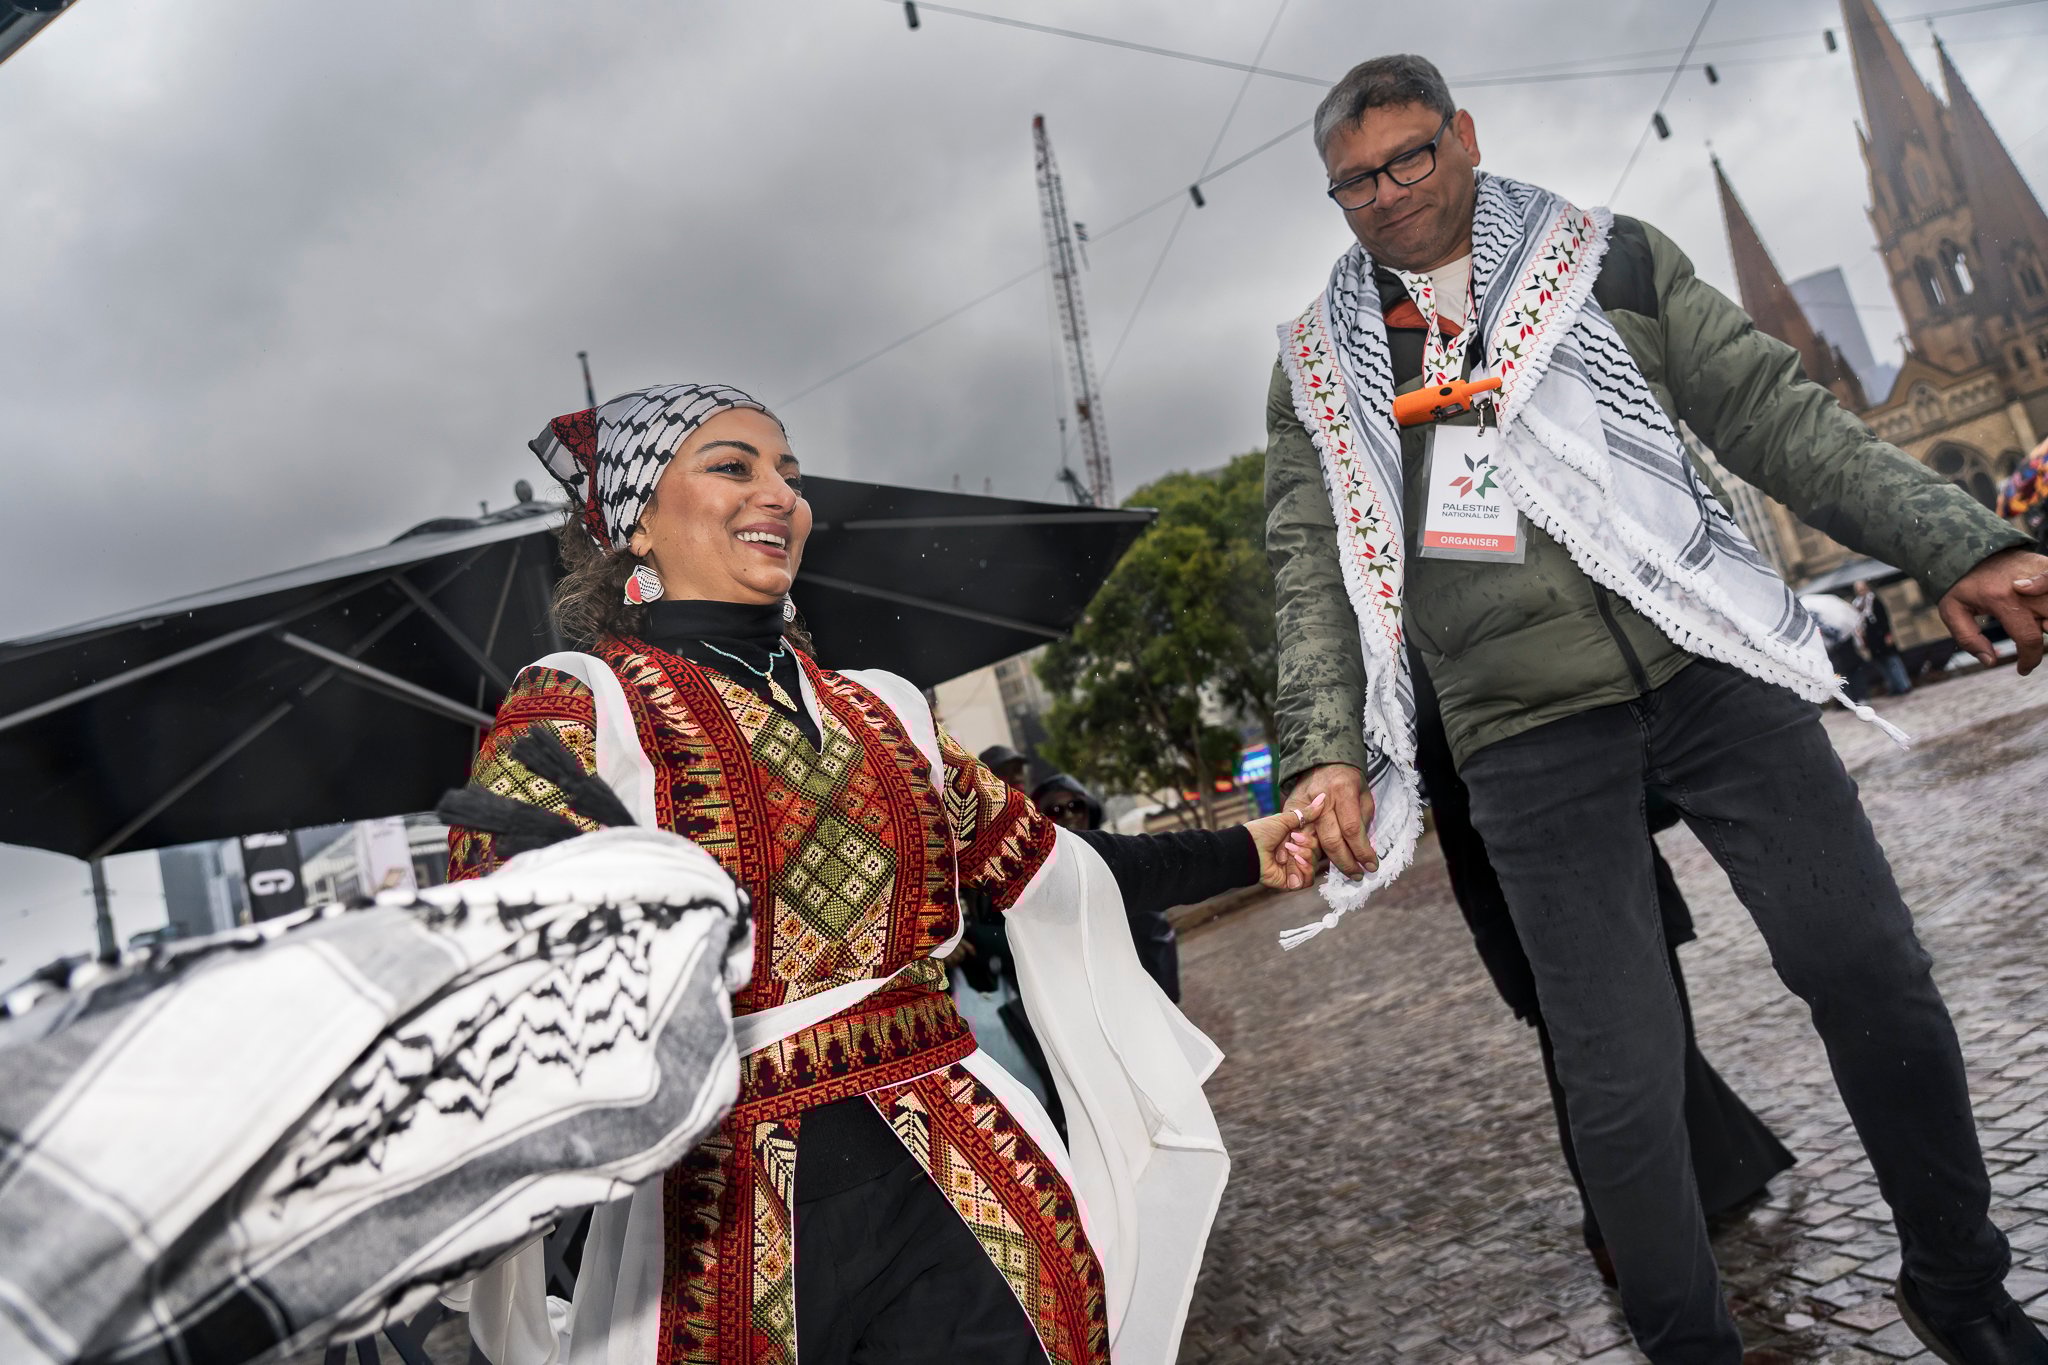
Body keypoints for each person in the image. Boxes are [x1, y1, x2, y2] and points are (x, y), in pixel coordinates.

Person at [1264, 55, 2048, 1365]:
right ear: (1333, 195)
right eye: (1356, 181)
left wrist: (1953, 540)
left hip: (1707, 655)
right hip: (1522, 734)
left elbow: (1774, 414)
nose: (1389, 194)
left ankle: (1961, 1286)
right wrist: (1325, 753)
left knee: (1871, 969)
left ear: (1464, 136)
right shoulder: (1315, 365)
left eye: (1410, 158)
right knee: (1621, 1087)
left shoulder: (1604, 257)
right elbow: (1311, 570)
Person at [447, 383, 1321, 1365]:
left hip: (966, 1175)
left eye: (789, 473)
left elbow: (1052, 867)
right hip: (719, 1220)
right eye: (732, 466)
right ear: (633, 526)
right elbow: (502, 959)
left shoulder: (885, 710)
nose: (776, 493)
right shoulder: (579, 709)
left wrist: (1253, 847)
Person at [1411, 648, 1792, 1288]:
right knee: (1591, 1077)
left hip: (1618, 880)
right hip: (1537, 912)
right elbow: (1461, 822)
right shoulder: (1434, 668)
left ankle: (1710, 1180)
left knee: (1661, 1047)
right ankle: (1619, 1229)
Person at [1033, 773, 1186, 1002]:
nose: (1070, 815)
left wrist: (1163, 1004)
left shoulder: (1114, 858)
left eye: (1076, 806)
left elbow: (1155, 934)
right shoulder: (1035, 881)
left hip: (1136, 1002)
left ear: (1089, 808)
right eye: (1055, 811)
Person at [1856, 579, 1913, 695]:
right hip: (1872, 640)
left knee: (1892, 661)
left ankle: (1903, 685)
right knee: (1882, 665)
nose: (1861, 592)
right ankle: (1893, 686)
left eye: (1862, 589)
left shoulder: (1874, 600)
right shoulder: (1857, 605)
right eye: (1859, 590)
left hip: (1882, 636)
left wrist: (1888, 634)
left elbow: (1884, 618)